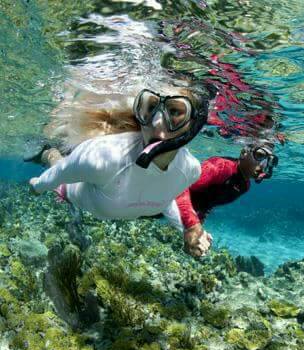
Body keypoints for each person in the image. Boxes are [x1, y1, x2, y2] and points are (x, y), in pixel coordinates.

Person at [29, 81, 213, 255]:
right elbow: (59, 173)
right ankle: (48, 152)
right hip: (74, 191)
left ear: (194, 125)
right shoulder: (102, 158)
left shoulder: (190, 170)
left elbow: (166, 196)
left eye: (174, 111)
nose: (156, 123)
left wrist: (185, 230)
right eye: (150, 108)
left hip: (105, 202)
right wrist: (37, 186)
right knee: (57, 161)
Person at [163, 144, 278, 257]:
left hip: (171, 210)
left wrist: (199, 231)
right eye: (260, 155)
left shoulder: (245, 186)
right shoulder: (220, 167)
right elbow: (180, 187)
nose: (264, 165)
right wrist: (193, 226)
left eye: (269, 160)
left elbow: (209, 203)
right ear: (244, 153)